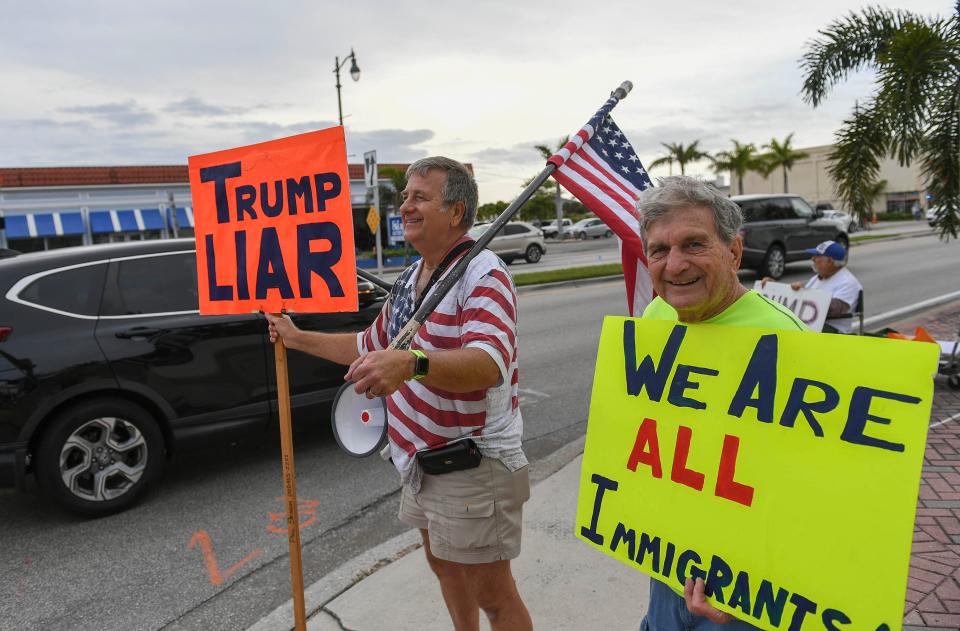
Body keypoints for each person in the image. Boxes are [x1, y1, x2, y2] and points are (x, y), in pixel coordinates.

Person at [266, 157, 532, 631]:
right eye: (405, 196)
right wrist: (296, 336)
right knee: (445, 568)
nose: (404, 205)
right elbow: (367, 345)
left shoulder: (482, 274)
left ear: (455, 211)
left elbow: (489, 365)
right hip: (419, 462)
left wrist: (413, 363)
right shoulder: (413, 278)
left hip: (470, 463)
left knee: (493, 593)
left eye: (419, 197)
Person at [635, 176, 807, 630]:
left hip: (745, 587)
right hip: (670, 562)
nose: (674, 265)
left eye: (694, 244)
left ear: (733, 251)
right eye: (659, 250)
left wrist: (753, 582)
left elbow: (806, 485)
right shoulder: (655, 315)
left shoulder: (785, 339)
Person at [762, 240, 862, 334]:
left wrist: (803, 295)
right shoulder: (818, 277)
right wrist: (773, 287)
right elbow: (802, 299)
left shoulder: (848, 282)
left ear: (830, 261)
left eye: (817, 256)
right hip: (812, 327)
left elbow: (835, 309)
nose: (812, 259)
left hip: (833, 332)